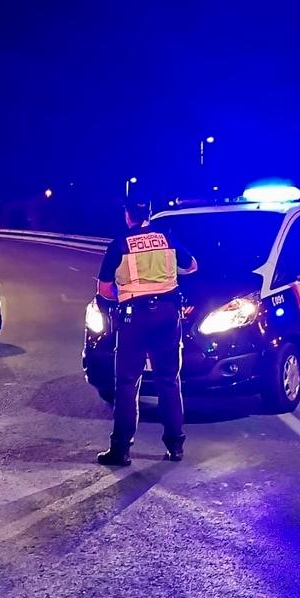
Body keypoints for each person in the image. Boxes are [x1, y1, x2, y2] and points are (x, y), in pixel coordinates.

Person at [95, 197, 198, 466]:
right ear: (149, 215)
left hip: (134, 319)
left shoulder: (119, 244)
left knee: (127, 384)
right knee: (169, 380)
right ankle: (175, 446)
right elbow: (192, 266)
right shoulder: (167, 237)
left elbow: (104, 290)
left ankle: (120, 450)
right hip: (167, 315)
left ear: (127, 215)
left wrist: (122, 297)